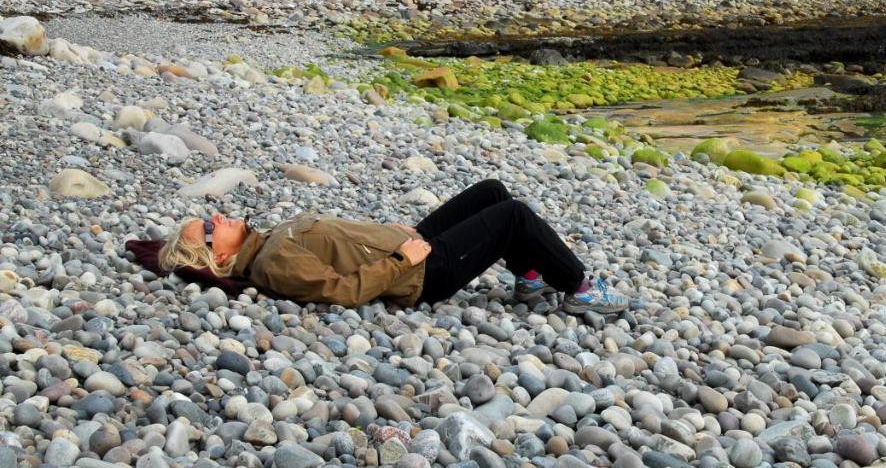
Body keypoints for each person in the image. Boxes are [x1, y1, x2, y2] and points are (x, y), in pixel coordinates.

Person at [158, 179, 628, 314]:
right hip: (422, 273)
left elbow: (342, 242)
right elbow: (343, 290)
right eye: (208, 226)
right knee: (514, 214)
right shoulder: (273, 261)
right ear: (218, 257)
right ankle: (580, 287)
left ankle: (528, 279)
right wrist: (404, 258)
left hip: (408, 246)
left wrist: (391, 232)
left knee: (491, 192)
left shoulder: (266, 241)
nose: (216, 216)